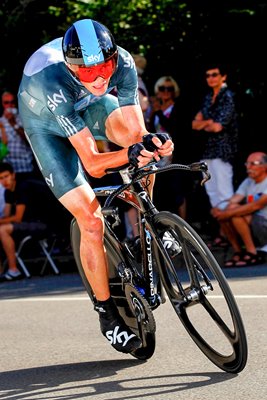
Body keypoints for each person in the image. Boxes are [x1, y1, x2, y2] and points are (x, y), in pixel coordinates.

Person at [17, 19, 174, 354]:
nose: (100, 77)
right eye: (89, 72)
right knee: (91, 220)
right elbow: (92, 163)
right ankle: (106, 314)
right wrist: (128, 153)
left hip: (87, 106)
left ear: (115, 57)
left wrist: (151, 144)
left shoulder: (124, 63)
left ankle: (150, 222)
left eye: (105, 67)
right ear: (73, 68)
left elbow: (137, 131)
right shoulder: (53, 83)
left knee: (139, 145)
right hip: (47, 123)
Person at [192, 62, 239, 245]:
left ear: (223, 77)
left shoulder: (228, 96)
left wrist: (206, 123)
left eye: (214, 75)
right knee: (213, 193)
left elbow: (218, 126)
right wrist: (208, 124)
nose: (210, 78)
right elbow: (194, 124)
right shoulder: (208, 97)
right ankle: (224, 233)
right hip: (208, 151)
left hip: (222, 151)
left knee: (225, 193)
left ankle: (229, 235)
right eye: (208, 75)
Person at [211, 152, 267, 267]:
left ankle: (252, 252)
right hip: (254, 224)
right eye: (247, 163)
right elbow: (233, 201)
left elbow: (257, 205)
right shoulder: (248, 182)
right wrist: (218, 209)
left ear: (265, 166)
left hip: (264, 225)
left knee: (233, 214)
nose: (248, 167)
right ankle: (238, 252)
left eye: (253, 164)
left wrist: (226, 213)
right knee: (227, 211)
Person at [0, 162, 48, 281]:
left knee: (3, 229)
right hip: (24, 225)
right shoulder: (7, 192)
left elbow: (17, 218)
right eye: (1, 178)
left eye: (6, 176)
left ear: (13, 175)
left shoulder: (22, 187)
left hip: (41, 223)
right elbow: (6, 215)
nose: (4, 181)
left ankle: (13, 270)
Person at [148, 76, 188, 219]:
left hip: (175, 155)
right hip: (159, 157)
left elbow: (175, 128)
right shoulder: (156, 109)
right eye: (162, 88)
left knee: (178, 192)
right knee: (161, 192)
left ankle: (184, 225)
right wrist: (154, 113)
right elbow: (152, 131)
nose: (165, 91)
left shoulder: (178, 108)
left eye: (169, 89)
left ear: (174, 91)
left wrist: (158, 112)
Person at [0, 91, 37, 182]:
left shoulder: (23, 118)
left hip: (25, 167)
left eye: (12, 102)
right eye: (6, 103)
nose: (10, 105)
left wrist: (13, 123)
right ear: (2, 104)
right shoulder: (0, 122)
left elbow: (30, 141)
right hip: (8, 170)